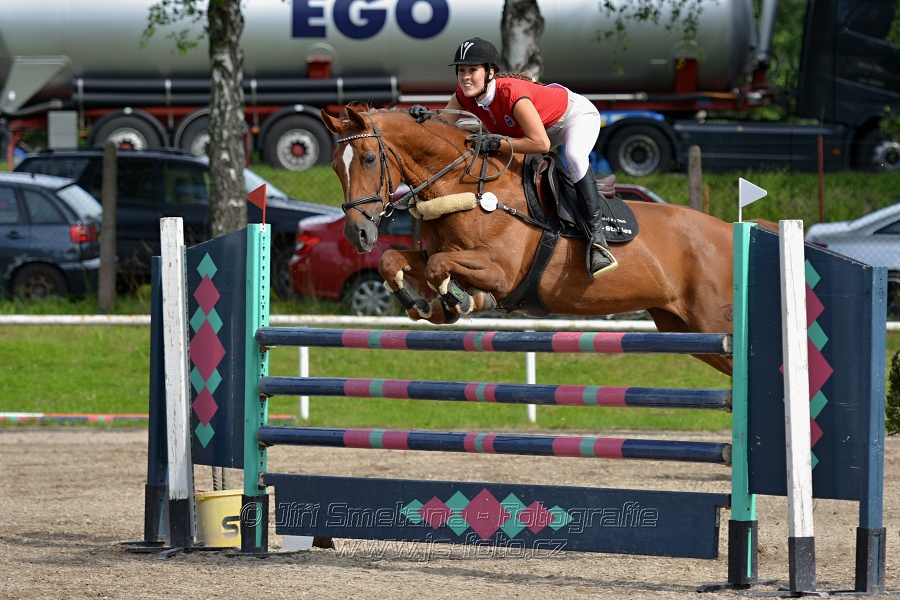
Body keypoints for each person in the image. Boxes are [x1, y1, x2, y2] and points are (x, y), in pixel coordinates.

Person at [411, 37, 617, 279]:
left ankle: (598, 241)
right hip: (535, 128)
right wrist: (420, 118)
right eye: (461, 70)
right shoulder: (464, 95)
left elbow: (542, 143)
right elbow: (442, 126)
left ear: (490, 72)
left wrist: (499, 142)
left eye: (472, 70)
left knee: (574, 156)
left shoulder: (510, 93)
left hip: (572, 117)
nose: (465, 77)